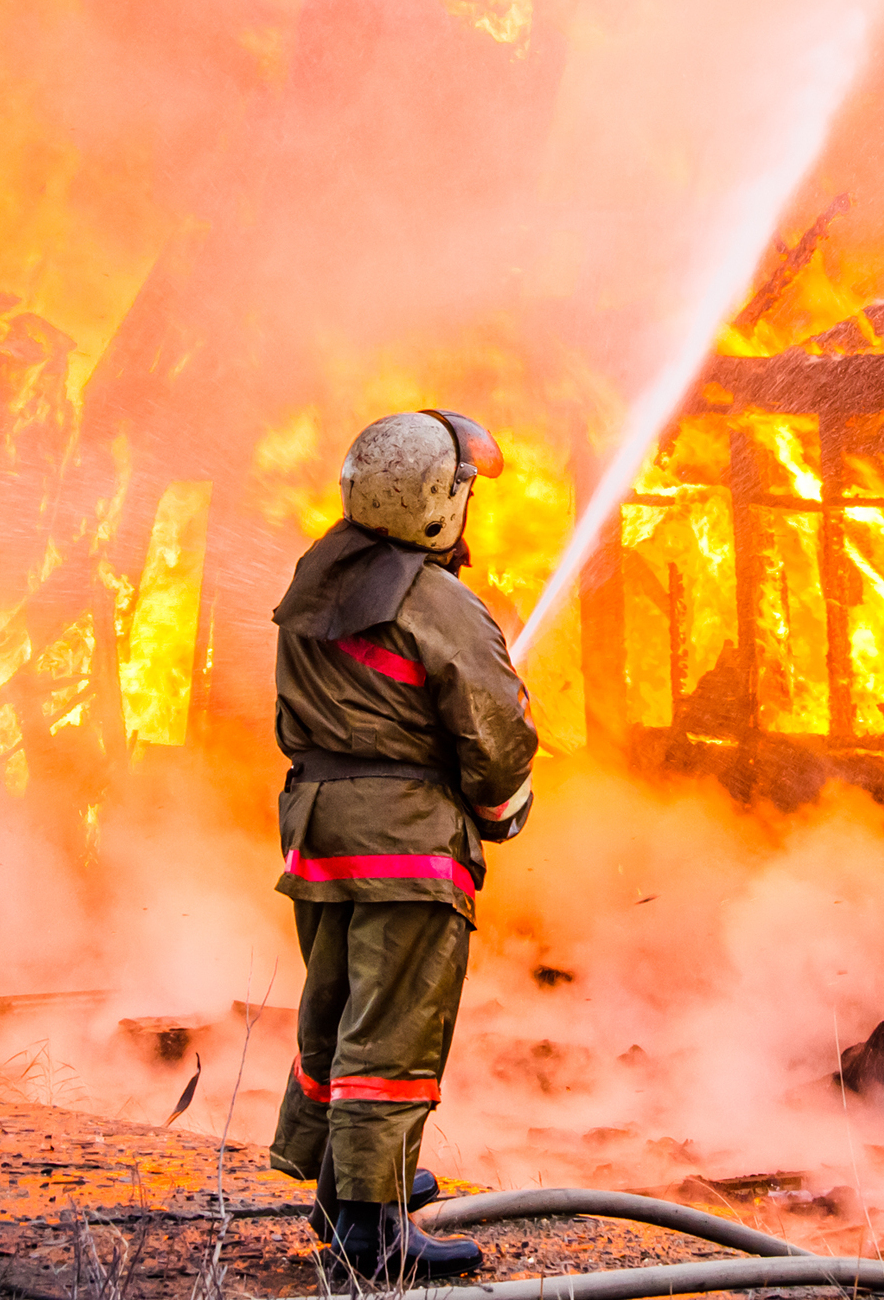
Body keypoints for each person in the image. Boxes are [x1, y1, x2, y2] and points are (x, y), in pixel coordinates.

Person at [265, 409, 538, 1283]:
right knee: (394, 1031)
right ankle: (374, 1236)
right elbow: (494, 731)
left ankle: (344, 1185)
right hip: (405, 848)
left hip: (319, 833)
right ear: (436, 503)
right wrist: (502, 807)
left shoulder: (319, 575)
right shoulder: (436, 601)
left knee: (338, 1009)